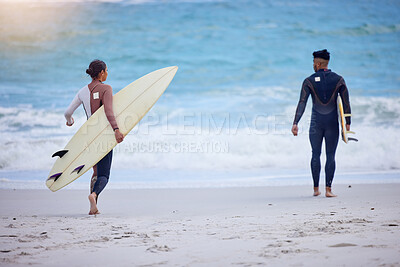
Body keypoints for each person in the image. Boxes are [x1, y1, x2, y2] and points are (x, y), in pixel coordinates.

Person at [64, 59, 124, 214]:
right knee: (104, 174)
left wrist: (69, 121)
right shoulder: (106, 88)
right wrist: (116, 129)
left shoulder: (82, 91)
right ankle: (94, 195)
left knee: (96, 172)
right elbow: (108, 111)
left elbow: (67, 112)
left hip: (89, 137)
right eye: (106, 70)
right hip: (103, 137)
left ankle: (94, 207)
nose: (107, 73)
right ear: (102, 72)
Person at [291, 49, 351, 197]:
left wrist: (295, 123)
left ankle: (316, 189)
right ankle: (329, 190)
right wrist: (348, 122)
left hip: (316, 124)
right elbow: (346, 102)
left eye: (313, 62)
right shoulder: (339, 79)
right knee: (331, 155)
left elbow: (302, 103)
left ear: (317, 63)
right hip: (332, 124)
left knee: (315, 154)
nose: (313, 65)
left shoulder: (308, 81)